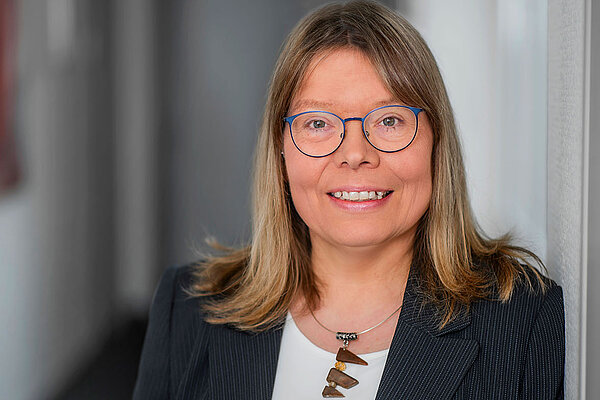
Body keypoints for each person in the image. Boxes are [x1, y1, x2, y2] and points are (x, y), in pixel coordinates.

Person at [133, 1, 565, 399]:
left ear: (437, 141)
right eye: (318, 123)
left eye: (390, 120)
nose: (355, 154)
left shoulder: (522, 321)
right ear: (280, 148)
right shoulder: (186, 309)